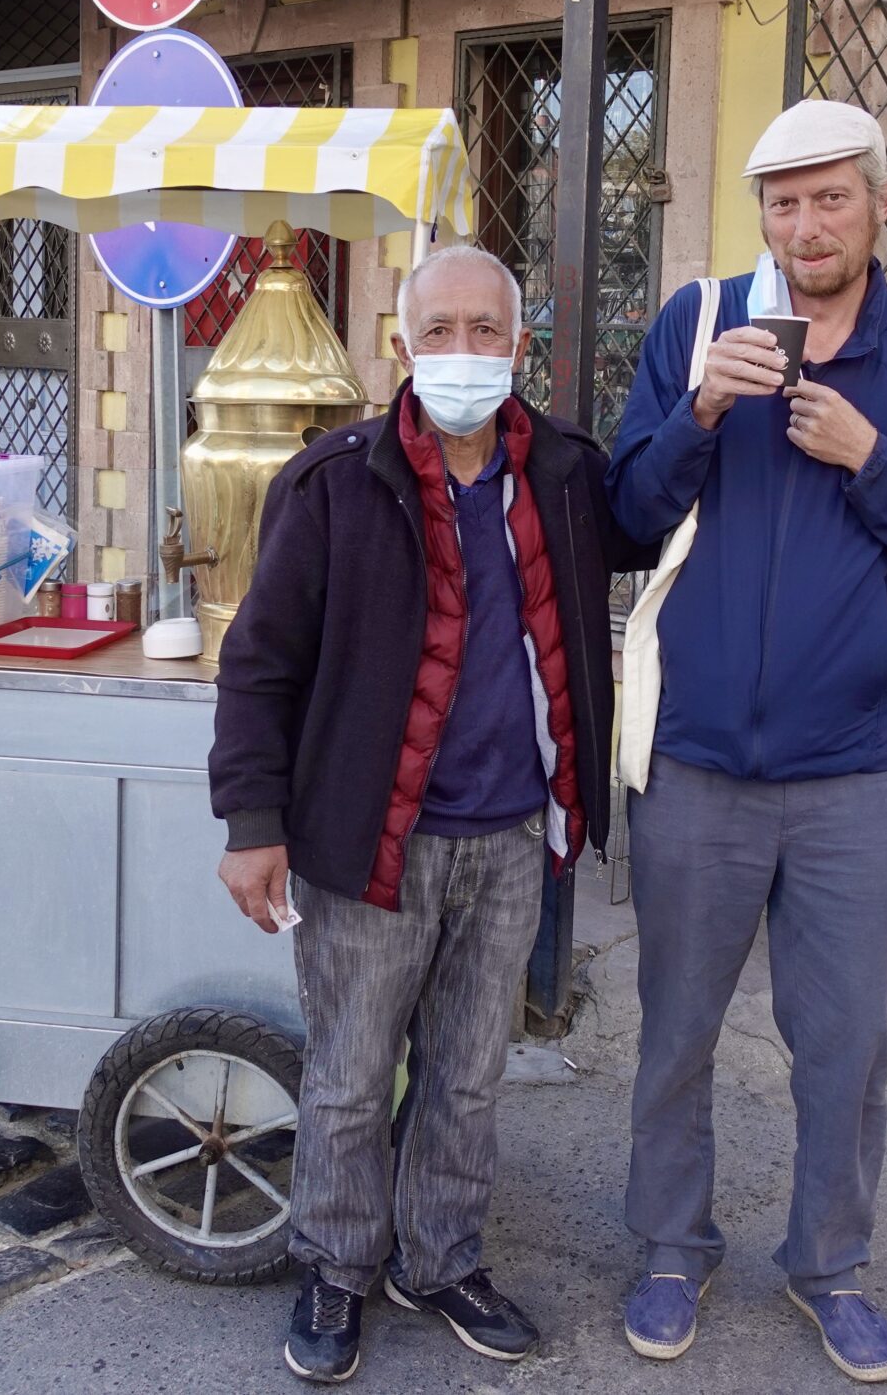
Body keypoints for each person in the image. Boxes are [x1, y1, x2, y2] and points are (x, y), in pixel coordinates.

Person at [606, 99, 887, 1383]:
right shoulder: (698, 325)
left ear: (880, 204)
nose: (805, 224)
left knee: (845, 1043)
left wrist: (872, 458)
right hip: (695, 763)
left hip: (845, 772)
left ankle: (827, 1265)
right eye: (783, 201)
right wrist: (698, 417)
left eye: (832, 197)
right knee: (675, 1031)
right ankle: (672, 1245)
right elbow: (620, 515)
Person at [210, 245, 636, 1384]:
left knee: (467, 1071)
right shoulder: (333, 482)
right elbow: (259, 663)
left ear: (519, 346)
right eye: (438, 330)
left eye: (483, 331)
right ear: (399, 348)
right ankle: (335, 1267)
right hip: (368, 838)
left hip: (507, 838)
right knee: (350, 1075)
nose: (461, 352)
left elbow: (650, 516)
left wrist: (698, 408)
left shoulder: (559, 474)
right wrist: (253, 823)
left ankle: (439, 1258)